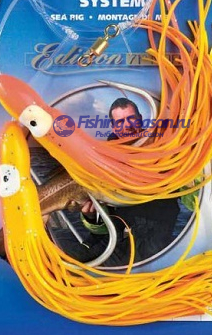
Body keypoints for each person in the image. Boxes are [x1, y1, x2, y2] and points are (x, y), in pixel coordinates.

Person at [54, 98, 180, 267]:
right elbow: (104, 226)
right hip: (110, 238)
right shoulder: (100, 159)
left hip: (149, 239)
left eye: (131, 119)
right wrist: (91, 216)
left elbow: (181, 195)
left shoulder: (161, 151)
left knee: (97, 268)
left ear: (140, 119)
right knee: (61, 258)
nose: (127, 126)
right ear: (113, 127)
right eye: (120, 122)